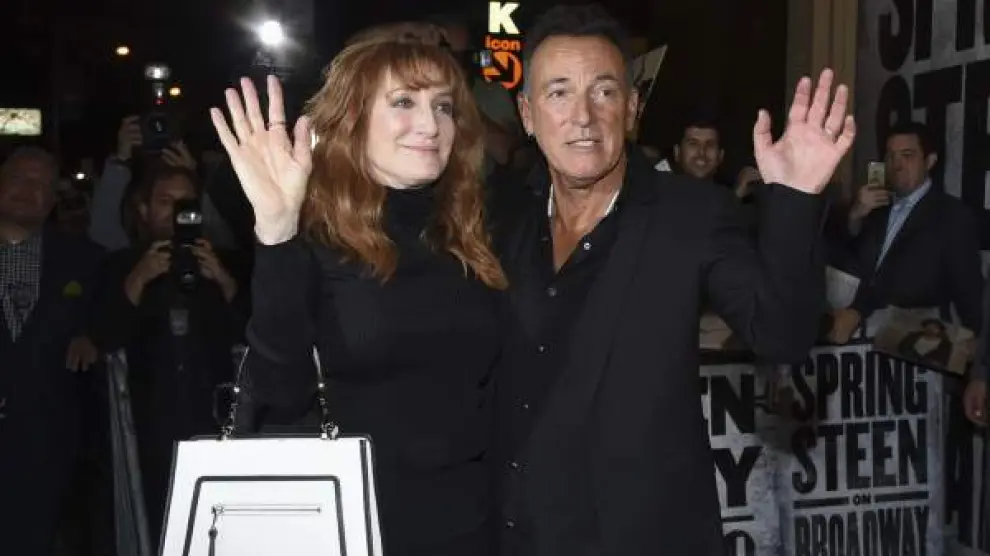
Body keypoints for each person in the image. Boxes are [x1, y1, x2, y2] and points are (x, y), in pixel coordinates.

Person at [491, 5, 854, 556]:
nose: (583, 116)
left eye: (604, 92)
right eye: (558, 93)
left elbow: (782, 334)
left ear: (632, 108)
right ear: (527, 114)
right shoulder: (505, 223)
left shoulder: (692, 216)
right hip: (522, 534)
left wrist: (796, 199)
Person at [210, 38, 507, 556]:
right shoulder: (314, 239)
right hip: (344, 525)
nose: (430, 124)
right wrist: (277, 233)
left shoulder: (473, 234)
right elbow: (280, 392)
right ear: (353, 119)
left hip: (466, 522)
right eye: (403, 102)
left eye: (443, 106)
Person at [89, 163, 247, 546]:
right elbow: (104, 338)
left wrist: (225, 282)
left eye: (185, 203)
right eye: (165, 201)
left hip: (215, 423)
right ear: (143, 209)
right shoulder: (119, 264)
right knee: (153, 527)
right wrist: (138, 278)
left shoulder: (226, 262)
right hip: (145, 429)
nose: (176, 213)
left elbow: (254, 336)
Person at [0, 147, 104, 556]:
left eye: (42, 183)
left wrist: (93, 335)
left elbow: (109, 319)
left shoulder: (85, 260)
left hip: (49, 450)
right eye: (19, 178)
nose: (29, 190)